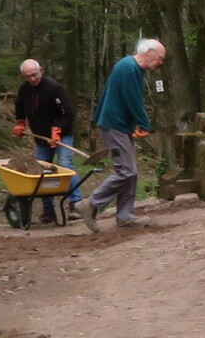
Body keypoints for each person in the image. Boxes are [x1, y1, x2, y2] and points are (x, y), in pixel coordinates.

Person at [79, 38, 164, 231]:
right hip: (114, 125)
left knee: (131, 173)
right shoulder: (128, 68)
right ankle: (90, 204)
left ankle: (125, 216)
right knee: (126, 171)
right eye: (160, 57)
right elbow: (133, 100)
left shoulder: (134, 69)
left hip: (121, 125)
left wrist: (135, 124)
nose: (161, 62)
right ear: (149, 52)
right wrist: (144, 123)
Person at [11, 58, 75, 224]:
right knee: (41, 172)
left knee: (65, 166)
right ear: (23, 76)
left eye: (35, 74)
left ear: (41, 70)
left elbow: (68, 113)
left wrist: (58, 129)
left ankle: (76, 204)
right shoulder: (24, 90)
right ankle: (48, 210)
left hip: (62, 135)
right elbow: (19, 107)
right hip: (41, 137)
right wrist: (20, 123)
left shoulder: (54, 88)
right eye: (28, 76)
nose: (33, 78)